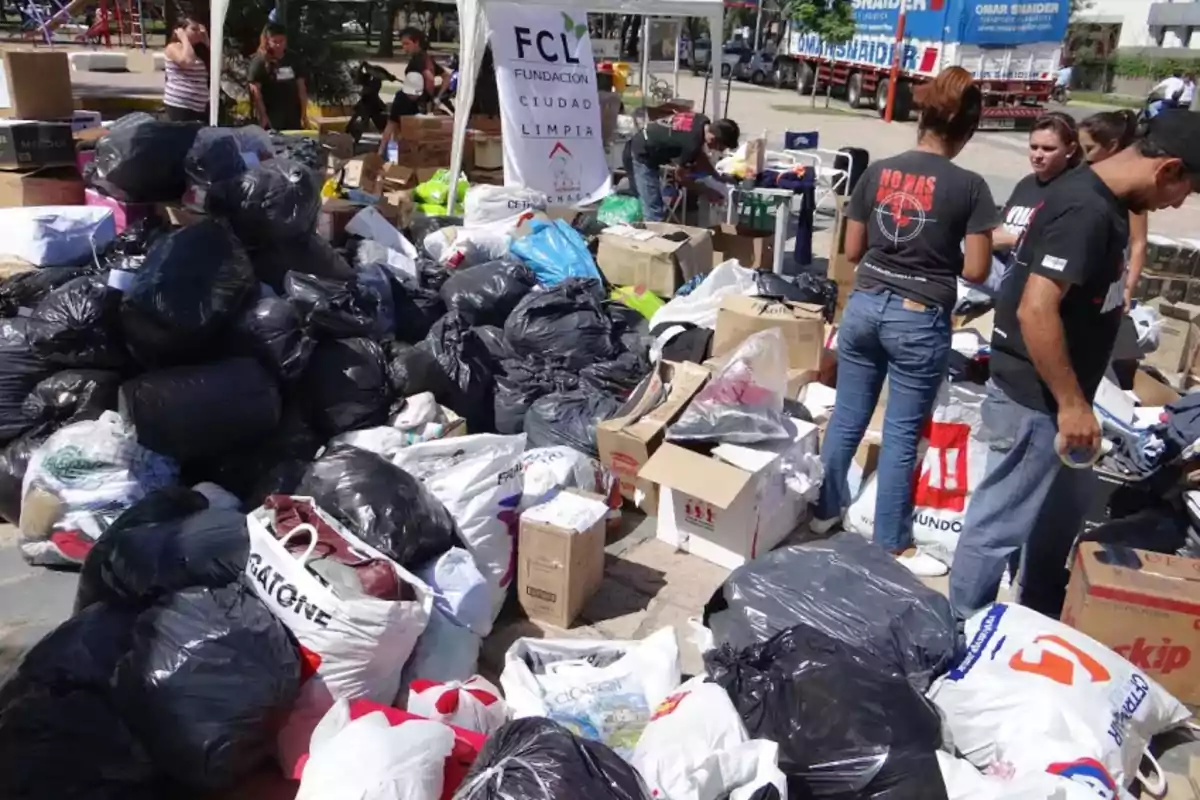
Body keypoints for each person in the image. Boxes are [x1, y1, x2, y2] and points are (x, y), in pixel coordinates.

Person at [949, 110, 1200, 621]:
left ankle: (1037, 613)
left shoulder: (1096, 197)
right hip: (1036, 400)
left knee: (1056, 522)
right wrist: (1068, 404)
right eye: (1184, 192)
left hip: (1071, 401)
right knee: (998, 526)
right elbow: (1034, 308)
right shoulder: (1085, 208)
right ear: (1167, 168)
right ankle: (958, 641)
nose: (1176, 203)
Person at [812, 66, 997, 577]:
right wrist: (938, 255)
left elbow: (852, 250)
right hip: (918, 319)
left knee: (848, 416)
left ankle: (825, 509)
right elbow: (979, 269)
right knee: (899, 432)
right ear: (967, 130)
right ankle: (892, 542)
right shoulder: (971, 186)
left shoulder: (877, 172)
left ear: (922, 118)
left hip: (866, 304)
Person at [1080, 110, 1146, 308]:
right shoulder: (1077, 177)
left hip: (1104, 289)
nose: (1083, 157)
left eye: (1089, 149)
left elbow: (1138, 243)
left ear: (1112, 146)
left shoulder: (1128, 189)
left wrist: (1128, 289)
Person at [622, 112, 740, 222]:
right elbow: (680, 178)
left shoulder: (702, 121)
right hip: (641, 154)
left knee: (644, 202)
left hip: (644, 143)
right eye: (721, 148)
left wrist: (717, 176)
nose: (718, 151)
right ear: (713, 140)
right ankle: (651, 241)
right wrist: (707, 191)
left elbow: (699, 155)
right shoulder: (691, 144)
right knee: (654, 211)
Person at [994, 113, 1081, 253]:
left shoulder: (1075, 192)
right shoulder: (1026, 184)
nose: (1037, 156)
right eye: (1034, 147)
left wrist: (1013, 240)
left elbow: (1064, 246)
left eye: (1048, 149)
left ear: (1070, 150)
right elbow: (1000, 226)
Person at [377, 28, 445, 157]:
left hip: (407, 98)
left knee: (392, 125)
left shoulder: (418, 60)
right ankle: (400, 155)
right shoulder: (428, 58)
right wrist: (436, 96)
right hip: (418, 99)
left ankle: (382, 153)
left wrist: (426, 95)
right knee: (406, 130)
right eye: (403, 44)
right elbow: (446, 76)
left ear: (417, 42)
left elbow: (429, 78)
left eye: (407, 43)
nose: (404, 48)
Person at [248, 22, 308, 131]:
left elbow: (301, 87)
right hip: (271, 114)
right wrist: (263, 115)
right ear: (267, 41)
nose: (279, 45)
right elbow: (255, 90)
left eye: (281, 41)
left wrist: (304, 113)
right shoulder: (260, 61)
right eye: (275, 42)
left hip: (292, 114)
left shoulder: (293, 58)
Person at [162, 16, 210, 123]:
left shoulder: (198, 52)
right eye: (194, 29)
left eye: (199, 29)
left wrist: (206, 40)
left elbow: (221, 66)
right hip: (179, 104)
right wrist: (184, 39)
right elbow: (186, 62)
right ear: (181, 30)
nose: (198, 32)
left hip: (198, 107)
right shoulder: (173, 47)